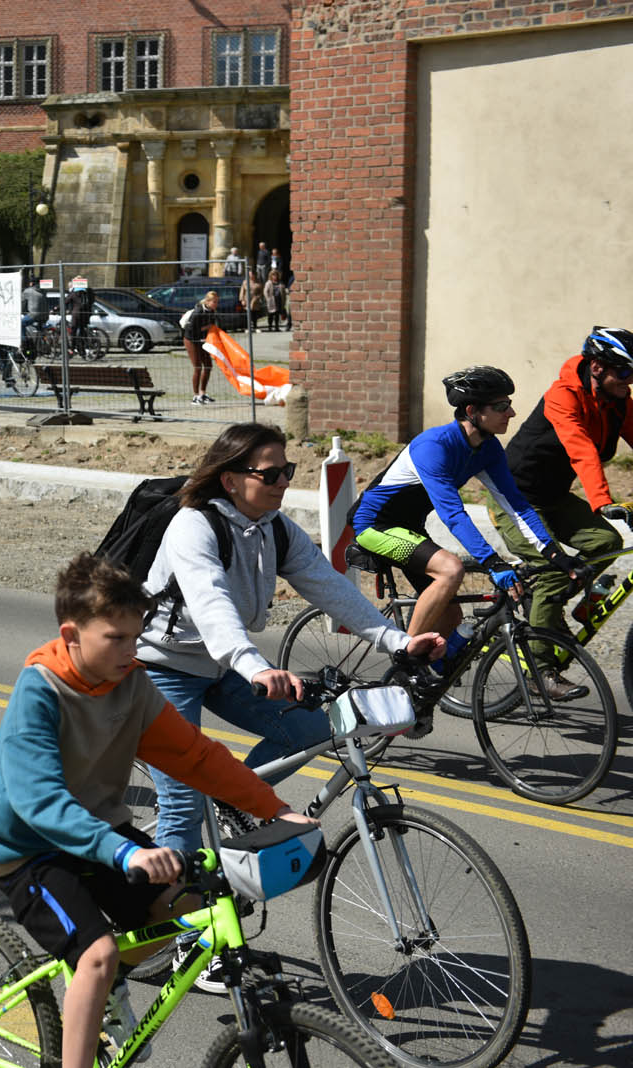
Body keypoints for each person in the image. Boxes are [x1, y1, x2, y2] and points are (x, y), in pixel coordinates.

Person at [0, 552, 318, 1068]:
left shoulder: (130, 683)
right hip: (24, 845)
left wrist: (275, 810)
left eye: (136, 637)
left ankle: (105, 993)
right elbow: (39, 801)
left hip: (99, 828)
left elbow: (195, 756)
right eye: (116, 638)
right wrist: (123, 853)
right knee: (98, 953)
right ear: (71, 636)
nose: (132, 652)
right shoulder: (40, 691)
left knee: (183, 910)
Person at [137, 422, 445, 988]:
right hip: (163, 665)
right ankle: (183, 944)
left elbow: (329, 587)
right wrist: (256, 667)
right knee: (180, 806)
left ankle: (230, 804)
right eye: (270, 473)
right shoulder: (193, 526)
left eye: (288, 472)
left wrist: (396, 641)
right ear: (230, 479)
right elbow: (210, 608)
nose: (282, 481)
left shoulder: (273, 528)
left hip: (224, 665)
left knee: (310, 727)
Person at [351, 365, 589, 694]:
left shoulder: (488, 449)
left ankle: (429, 684)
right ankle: (405, 663)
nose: (512, 412)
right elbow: (453, 514)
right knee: (451, 569)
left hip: (410, 530)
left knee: (450, 617)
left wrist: (554, 553)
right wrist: (492, 562)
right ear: (472, 411)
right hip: (374, 526)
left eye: (509, 404)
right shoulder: (434, 445)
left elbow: (515, 504)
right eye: (501, 406)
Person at [500, 327, 633, 637]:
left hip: (554, 496)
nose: (630, 379)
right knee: (553, 574)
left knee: (606, 543)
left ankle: (547, 605)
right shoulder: (563, 395)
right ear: (597, 367)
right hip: (515, 496)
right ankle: (540, 675)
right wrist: (603, 502)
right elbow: (581, 449)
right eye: (624, 370)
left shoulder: (617, 400)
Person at [181, 290, 218, 405]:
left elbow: (212, 325)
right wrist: (207, 327)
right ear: (207, 301)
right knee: (198, 367)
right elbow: (191, 329)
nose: (216, 304)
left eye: (217, 302)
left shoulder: (212, 311)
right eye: (214, 302)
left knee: (208, 366)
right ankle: (195, 396)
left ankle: (203, 393)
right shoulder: (198, 312)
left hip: (202, 341)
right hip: (191, 340)